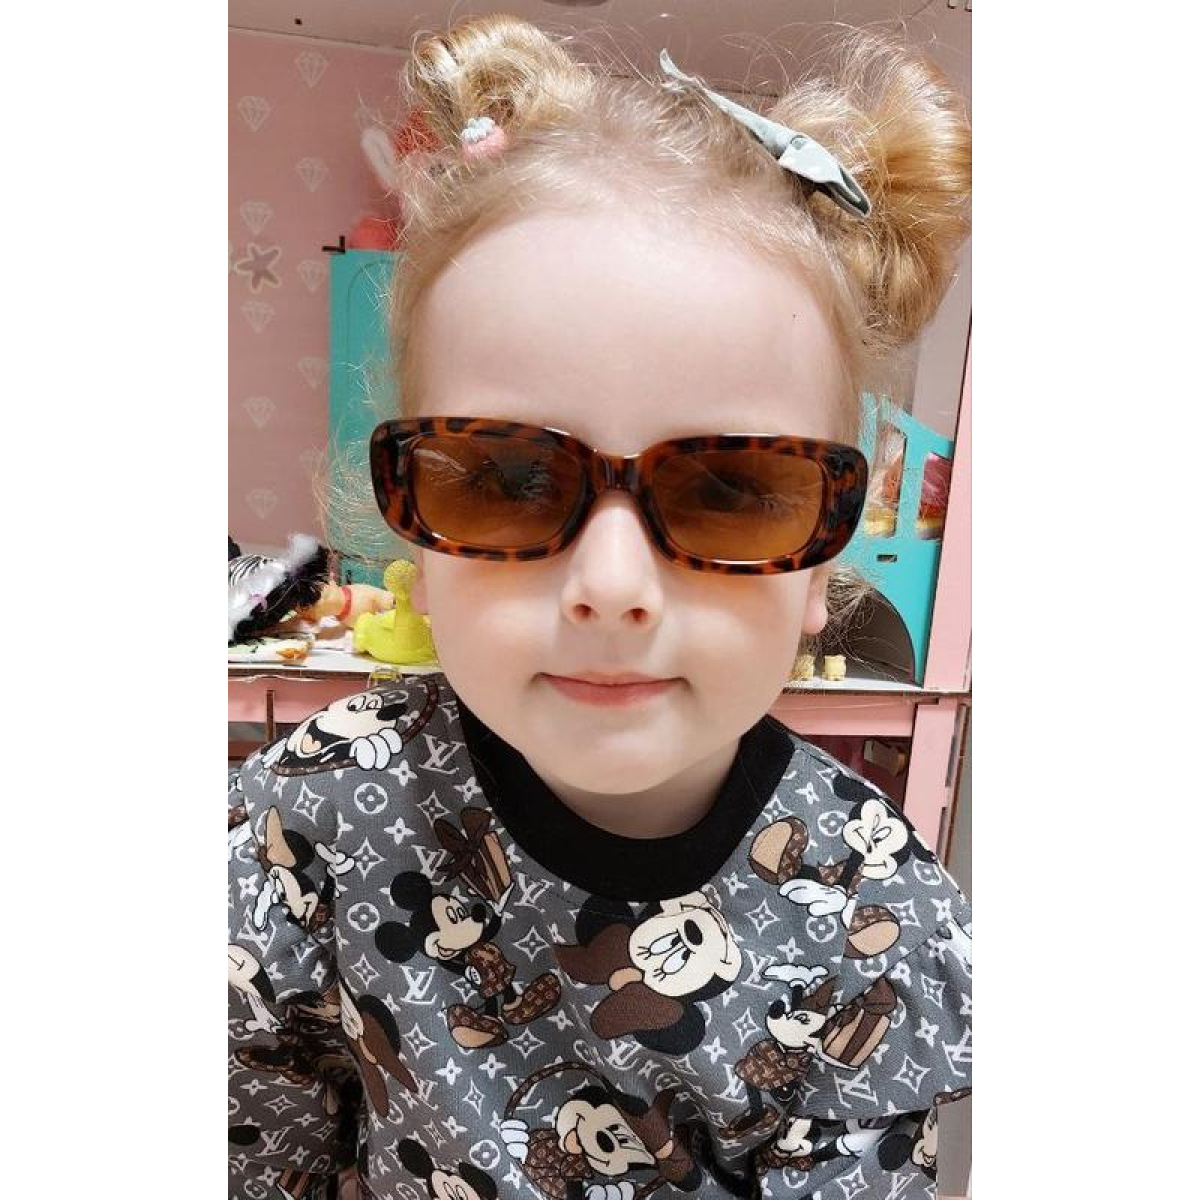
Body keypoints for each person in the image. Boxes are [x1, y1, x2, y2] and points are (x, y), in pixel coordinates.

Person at [228, 14, 972, 1199]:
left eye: (733, 491)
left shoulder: (868, 909)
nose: (613, 587)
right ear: (413, 532)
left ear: (822, 564)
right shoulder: (312, 816)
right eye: (508, 481)